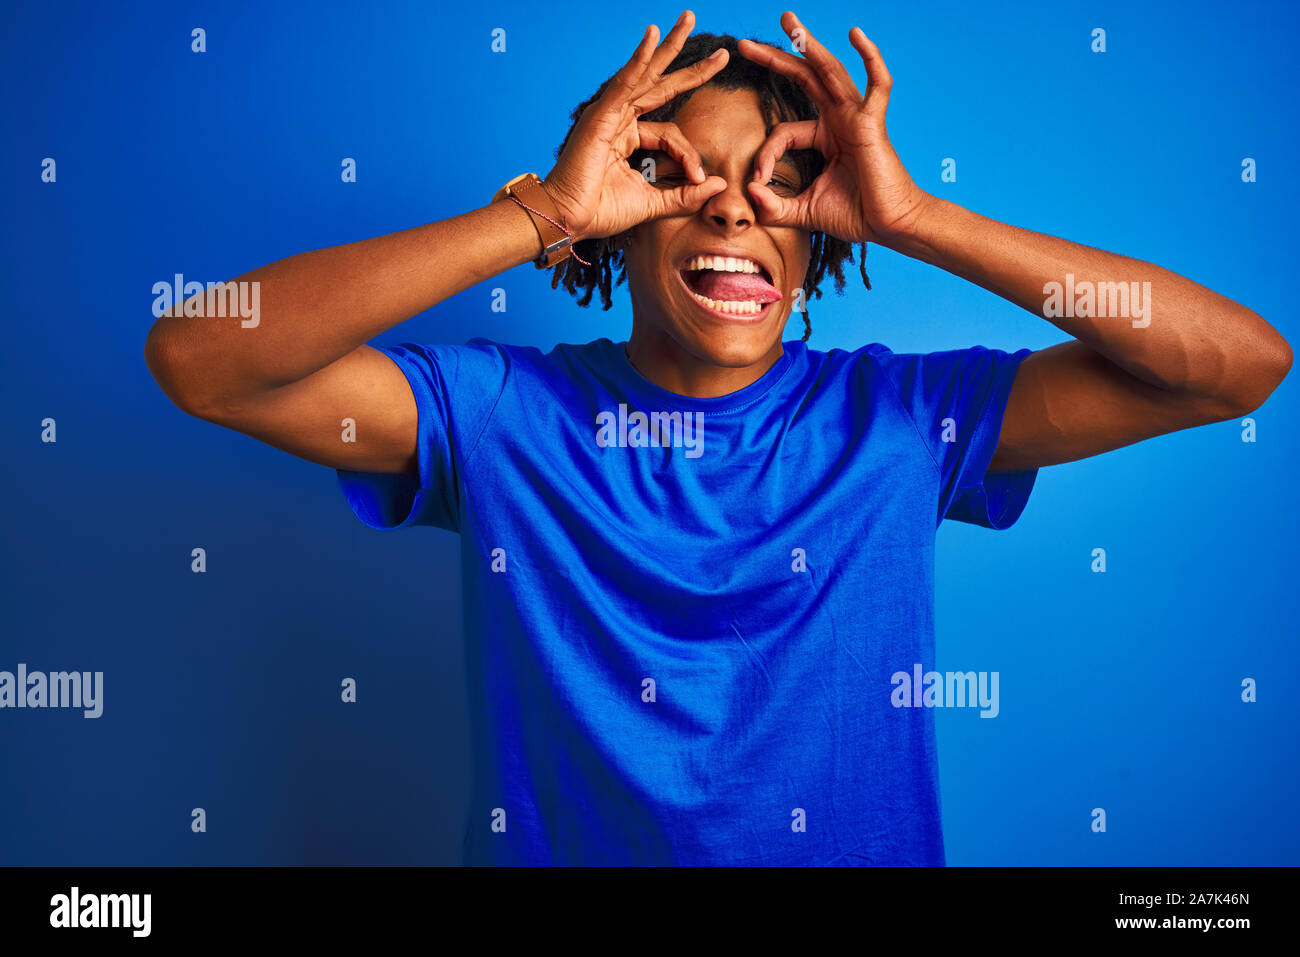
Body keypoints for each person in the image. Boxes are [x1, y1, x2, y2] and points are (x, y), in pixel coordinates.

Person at [143, 11, 1291, 865]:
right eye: (679, 178)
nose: (734, 210)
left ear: (820, 239)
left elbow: (1238, 366)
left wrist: (916, 219)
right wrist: (538, 214)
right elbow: (199, 357)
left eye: (782, 181)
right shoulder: (497, 416)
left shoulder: (900, 423)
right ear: (615, 225)